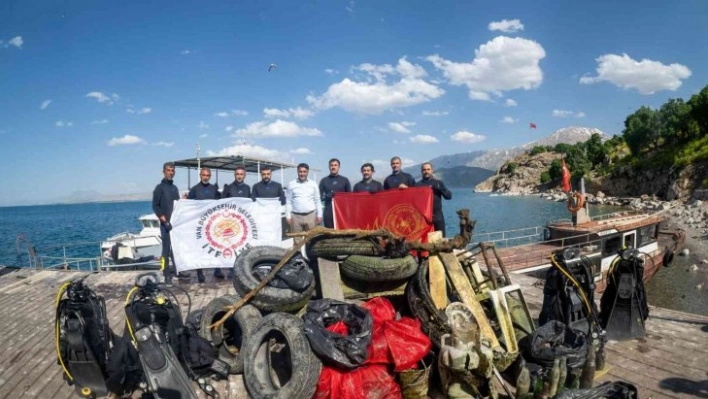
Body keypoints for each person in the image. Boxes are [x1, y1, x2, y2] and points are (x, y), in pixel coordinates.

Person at [152, 161, 187, 285]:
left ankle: (177, 270)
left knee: (176, 249)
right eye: (168, 170)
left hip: (175, 225)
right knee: (166, 250)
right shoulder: (159, 188)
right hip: (165, 225)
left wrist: (183, 200)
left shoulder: (174, 188)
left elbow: (177, 206)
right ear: (164, 172)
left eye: (172, 171)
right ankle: (167, 275)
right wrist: (164, 221)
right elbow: (155, 206)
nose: (170, 173)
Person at [188, 167, 225, 282]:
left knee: (216, 245)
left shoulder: (214, 189)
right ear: (200, 175)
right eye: (204, 175)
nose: (206, 177)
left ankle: (217, 269)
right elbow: (188, 206)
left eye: (208, 175)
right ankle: (200, 272)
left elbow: (222, 201)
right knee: (200, 247)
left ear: (210, 176)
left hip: (213, 223)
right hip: (199, 224)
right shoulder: (194, 189)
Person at [285, 163, 322, 244]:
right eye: (300, 171)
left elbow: (317, 200)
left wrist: (319, 215)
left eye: (304, 172)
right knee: (297, 241)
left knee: (312, 240)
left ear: (307, 172)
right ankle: (298, 256)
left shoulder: (313, 184)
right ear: (297, 172)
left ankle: (311, 257)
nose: (302, 174)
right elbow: (288, 201)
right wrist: (288, 216)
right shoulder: (291, 184)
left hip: (310, 216)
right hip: (296, 217)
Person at [416, 162, 452, 236]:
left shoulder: (438, 183)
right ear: (421, 171)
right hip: (423, 219)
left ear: (432, 170)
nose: (426, 171)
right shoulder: (417, 185)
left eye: (428, 169)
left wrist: (440, 188)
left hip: (437, 217)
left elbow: (449, 197)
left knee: (441, 241)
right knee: (424, 242)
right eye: (424, 170)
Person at [319, 158, 351, 228]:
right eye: (331, 165)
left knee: (342, 232)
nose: (333, 167)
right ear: (329, 167)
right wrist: (326, 196)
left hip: (341, 211)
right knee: (329, 233)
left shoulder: (345, 180)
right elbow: (319, 197)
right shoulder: (324, 180)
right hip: (328, 211)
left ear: (339, 167)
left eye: (335, 165)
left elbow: (350, 198)